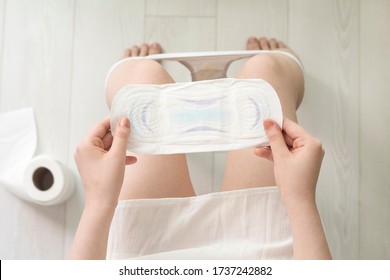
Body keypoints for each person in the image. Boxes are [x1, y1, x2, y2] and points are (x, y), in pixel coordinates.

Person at [69, 37, 332, 260]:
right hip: (262, 253)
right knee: (266, 70)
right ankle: (281, 68)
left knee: (140, 77)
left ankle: (146, 72)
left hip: (146, 250)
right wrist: (300, 199)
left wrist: (98, 201)